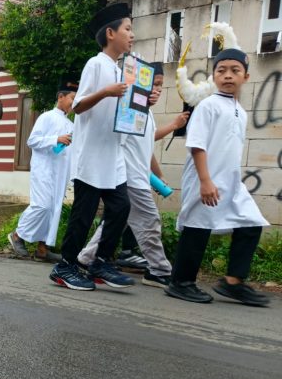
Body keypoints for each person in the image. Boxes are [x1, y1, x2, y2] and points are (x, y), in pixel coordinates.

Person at [166, 48, 269, 306]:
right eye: (221, 70)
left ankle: (233, 282)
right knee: (198, 226)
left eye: (235, 70)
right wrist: (205, 181)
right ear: (214, 76)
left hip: (231, 182)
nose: (228, 75)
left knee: (251, 222)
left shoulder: (240, 111)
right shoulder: (208, 105)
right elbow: (197, 145)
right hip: (205, 178)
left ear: (246, 77)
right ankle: (181, 282)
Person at [77, 63, 190, 287]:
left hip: (138, 175)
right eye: (153, 84)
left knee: (116, 221)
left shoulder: (147, 113)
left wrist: (158, 174)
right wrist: (174, 125)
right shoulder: (129, 109)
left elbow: (146, 147)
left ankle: (86, 258)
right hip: (129, 177)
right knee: (149, 220)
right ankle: (159, 270)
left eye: (160, 85)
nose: (157, 90)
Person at [49, 2, 135, 290]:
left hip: (112, 154)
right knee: (83, 215)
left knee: (121, 208)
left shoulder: (121, 70)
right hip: (91, 155)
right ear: (110, 33)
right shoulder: (96, 64)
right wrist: (106, 91)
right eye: (127, 29)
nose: (132, 35)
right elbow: (78, 106)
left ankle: (101, 262)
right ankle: (65, 266)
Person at [9, 80, 77, 262]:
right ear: (61, 97)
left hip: (60, 173)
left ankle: (42, 249)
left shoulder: (71, 125)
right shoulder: (47, 117)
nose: (74, 103)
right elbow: (32, 141)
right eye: (72, 98)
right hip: (44, 169)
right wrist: (56, 139)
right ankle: (18, 235)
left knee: (54, 209)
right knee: (42, 205)